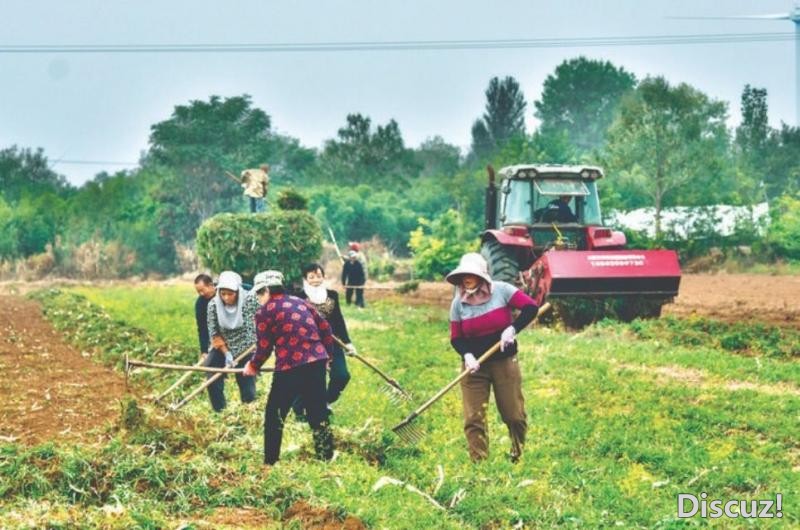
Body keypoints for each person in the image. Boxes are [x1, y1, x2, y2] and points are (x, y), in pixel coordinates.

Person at [447, 252, 539, 462]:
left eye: (470, 274)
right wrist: (467, 355)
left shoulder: (502, 291)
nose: (466, 279)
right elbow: (456, 337)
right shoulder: (458, 303)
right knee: (473, 418)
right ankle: (479, 463)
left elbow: (531, 307)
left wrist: (513, 329)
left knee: (513, 414)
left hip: (504, 363)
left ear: (482, 275)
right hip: (475, 367)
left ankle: (518, 454)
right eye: (463, 275)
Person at [242, 270, 335, 465]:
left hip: (290, 366)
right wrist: (328, 356)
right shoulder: (300, 302)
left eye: (259, 294)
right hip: (317, 361)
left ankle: (270, 462)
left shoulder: (264, 312)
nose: (259, 299)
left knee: (274, 414)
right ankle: (326, 456)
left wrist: (252, 366)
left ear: (267, 290)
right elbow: (325, 327)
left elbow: (264, 347)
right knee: (317, 410)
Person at [292, 263, 355, 418]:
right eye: (311, 277)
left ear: (323, 276)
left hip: (332, 343)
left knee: (342, 376)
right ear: (305, 279)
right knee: (310, 379)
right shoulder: (299, 297)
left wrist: (348, 343)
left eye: (319, 276)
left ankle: (324, 401)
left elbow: (339, 320)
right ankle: (300, 409)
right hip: (309, 345)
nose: (315, 280)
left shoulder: (332, 295)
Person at [204, 270, 258, 412]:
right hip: (223, 345)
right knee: (211, 369)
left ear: (238, 292)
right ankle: (220, 410)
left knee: (246, 378)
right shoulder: (213, 305)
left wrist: (256, 345)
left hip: (246, 345)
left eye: (230, 294)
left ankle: (248, 411)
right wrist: (227, 353)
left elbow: (259, 323)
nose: (226, 298)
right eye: (223, 294)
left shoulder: (249, 301)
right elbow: (214, 333)